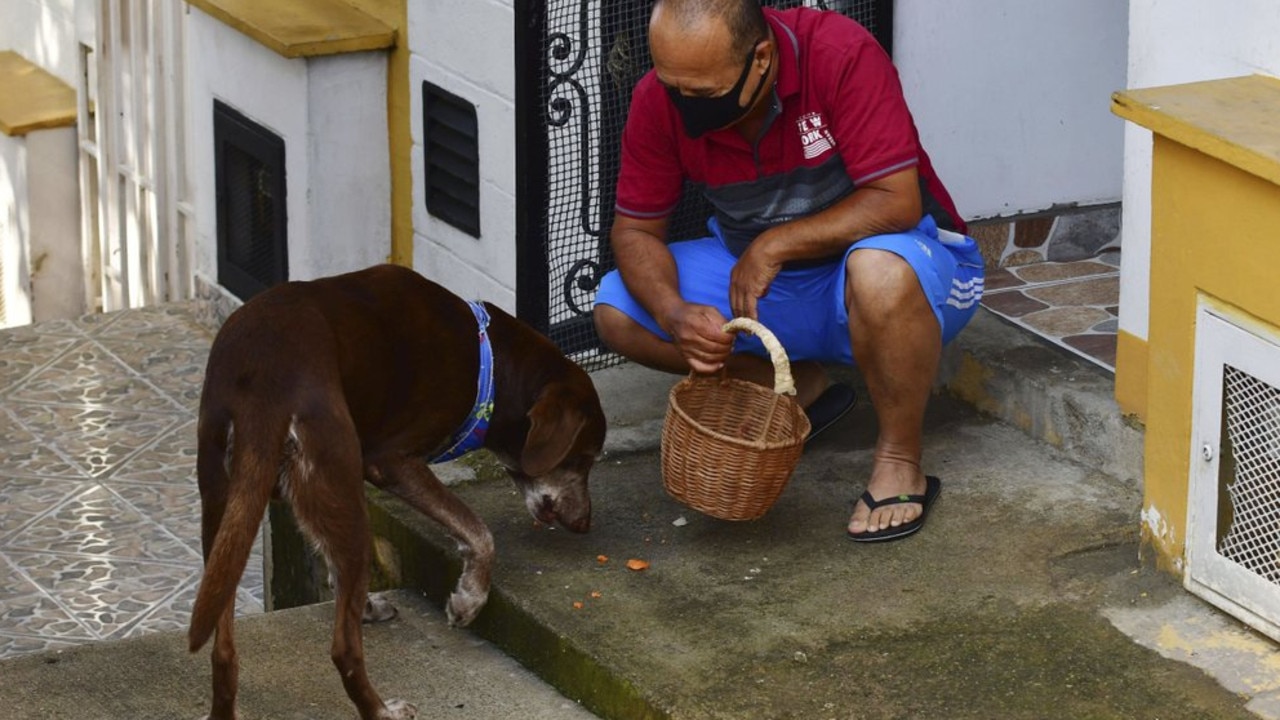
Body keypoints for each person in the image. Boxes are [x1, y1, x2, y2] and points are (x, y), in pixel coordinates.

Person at [593, 0, 984, 542]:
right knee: (617, 308)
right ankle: (795, 389)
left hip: (894, 269)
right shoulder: (659, 98)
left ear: (760, 58)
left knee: (880, 270)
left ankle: (899, 456)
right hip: (762, 284)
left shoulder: (840, 53)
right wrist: (675, 311)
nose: (684, 107)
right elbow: (635, 231)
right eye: (672, 86)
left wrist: (775, 244)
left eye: (702, 94)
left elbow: (896, 202)